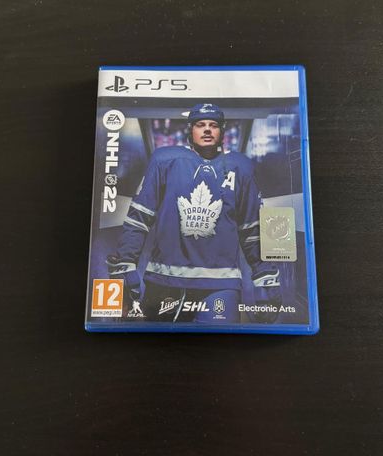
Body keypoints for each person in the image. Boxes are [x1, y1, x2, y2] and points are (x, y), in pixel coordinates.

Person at [107, 103, 281, 323]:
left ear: (222, 131)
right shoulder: (164, 160)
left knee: (220, 342)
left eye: (213, 125)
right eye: (200, 124)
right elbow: (139, 218)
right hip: (164, 280)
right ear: (190, 130)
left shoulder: (241, 167)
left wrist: (265, 274)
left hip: (221, 284)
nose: (207, 129)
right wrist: (126, 262)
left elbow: (252, 228)